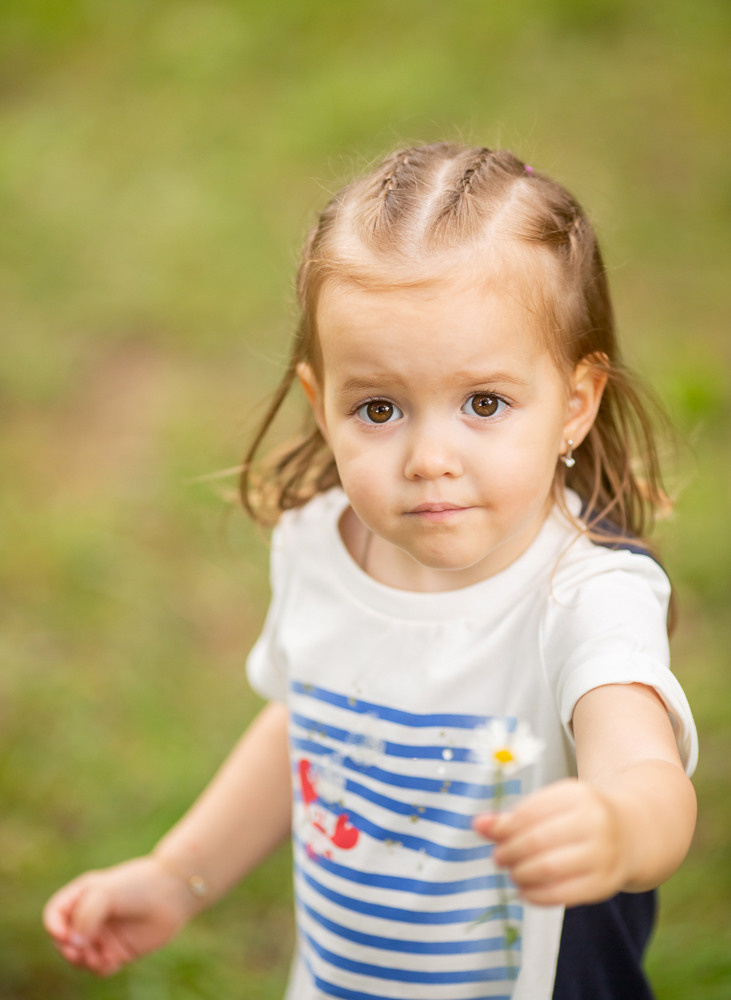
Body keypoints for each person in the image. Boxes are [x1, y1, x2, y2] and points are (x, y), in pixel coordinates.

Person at [44, 142, 698, 1000]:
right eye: (379, 408)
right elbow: (302, 725)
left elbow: (645, 774)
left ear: (574, 404)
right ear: (323, 406)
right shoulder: (320, 545)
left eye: (483, 403)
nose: (430, 458)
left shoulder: (585, 597)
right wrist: (178, 875)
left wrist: (616, 828)